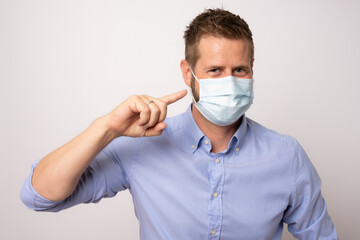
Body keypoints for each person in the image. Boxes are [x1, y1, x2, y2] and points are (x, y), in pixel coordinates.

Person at [21, 8, 337, 240]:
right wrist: (107, 128)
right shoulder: (145, 144)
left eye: (239, 69)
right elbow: (40, 196)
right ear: (188, 74)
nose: (229, 80)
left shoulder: (286, 156)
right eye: (215, 70)